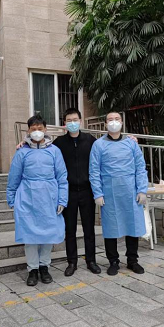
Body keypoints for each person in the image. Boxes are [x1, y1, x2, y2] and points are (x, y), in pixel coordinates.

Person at [7, 115, 69, 286]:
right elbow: (14, 177)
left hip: (49, 198)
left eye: (39, 128)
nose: (36, 132)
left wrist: (62, 200)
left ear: (45, 129)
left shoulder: (55, 151)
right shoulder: (22, 152)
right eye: (33, 129)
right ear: (28, 131)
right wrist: (11, 199)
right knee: (30, 237)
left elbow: (62, 178)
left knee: (48, 235)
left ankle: (44, 267)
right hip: (27, 198)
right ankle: (32, 269)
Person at [89, 111, 149, 276]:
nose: (113, 122)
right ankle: (113, 261)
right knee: (111, 228)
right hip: (110, 192)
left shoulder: (131, 143)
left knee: (132, 225)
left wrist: (142, 189)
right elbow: (94, 171)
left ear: (122, 123)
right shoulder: (98, 145)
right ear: (105, 124)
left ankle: (132, 260)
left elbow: (140, 167)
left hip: (130, 191)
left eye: (117, 119)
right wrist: (98, 193)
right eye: (110, 119)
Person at [52, 108, 101, 276]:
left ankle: (91, 260)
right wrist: (23, 144)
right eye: (69, 120)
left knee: (89, 228)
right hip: (68, 192)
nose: (72, 123)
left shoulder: (90, 140)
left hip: (87, 191)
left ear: (80, 121)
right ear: (64, 123)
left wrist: (130, 139)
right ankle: (71, 262)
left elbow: (105, 150)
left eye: (75, 120)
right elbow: (44, 149)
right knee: (70, 229)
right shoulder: (58, 143)